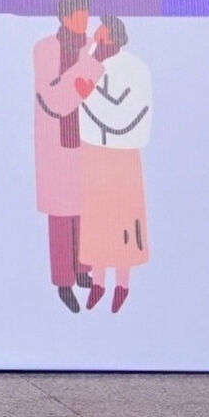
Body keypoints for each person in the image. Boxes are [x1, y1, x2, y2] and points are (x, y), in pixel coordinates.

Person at [76, 16, 151, 311]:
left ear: (115, 39)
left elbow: (125, 113)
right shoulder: (92, 66)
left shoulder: (135, 69)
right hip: (95, 150)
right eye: (97, 37)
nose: (98, 42)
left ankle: (122, 285)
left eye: (102, 37)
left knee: (123, 219)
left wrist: (90, 97)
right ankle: (98, 283)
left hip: (124, 152)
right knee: (97, 218)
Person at [30, 0, 97, 310]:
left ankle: (83, 269)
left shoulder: (91, 48)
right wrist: (89, 68)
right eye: (79, 16)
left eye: (87, 15)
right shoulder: (45, 49)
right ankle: (63, 281)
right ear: (65, 18)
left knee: (84, 208)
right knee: (61, 214)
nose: (84, 21)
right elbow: (54, 99)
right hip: (56, 143)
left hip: (86, 140)